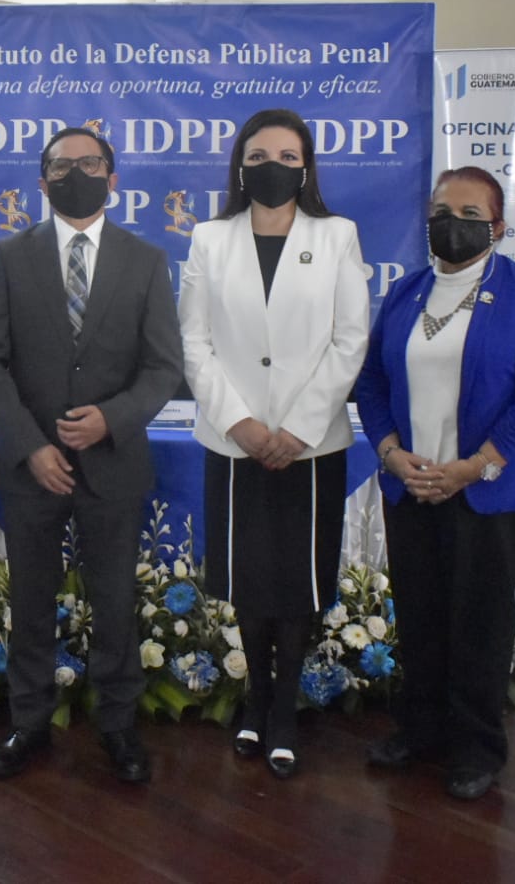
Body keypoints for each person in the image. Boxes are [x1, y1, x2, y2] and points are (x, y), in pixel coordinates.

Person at [0, 125, 184, 784]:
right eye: (62, 167)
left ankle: (117, 724)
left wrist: (110, 419)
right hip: (32, 467)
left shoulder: (145, 260)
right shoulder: (9, 256)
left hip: (113, 463)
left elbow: (163, 367)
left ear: (112, 179)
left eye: (90, 164)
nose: (76, 175)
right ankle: (28, 720)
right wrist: (31, 446)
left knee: (115, 603)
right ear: (42, 182)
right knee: (31, 602)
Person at [354, 165, 515, 800]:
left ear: (498, 228)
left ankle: (477, 747)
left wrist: (475, 466)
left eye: (472, 215)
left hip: (486, 491)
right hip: (412, 487)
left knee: (482, 622)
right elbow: (372, 384)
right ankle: (419, 729)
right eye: (443, 213)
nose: (455, 225)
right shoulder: (406, 292)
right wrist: (391, 454)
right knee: (420, 614)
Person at [178, 109, 370, 778]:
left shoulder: (337, 235)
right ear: (239, 165)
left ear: (306, 166)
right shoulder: (209, 238)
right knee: (248, 583)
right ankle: (254, 702)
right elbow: (195, 343)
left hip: (309, 447)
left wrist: (296, 429)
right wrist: (241, 424)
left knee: (297, 583)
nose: (273, 166)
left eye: (288, 156)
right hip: (234, 444)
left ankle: (285, 709)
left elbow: (350, 340)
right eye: (259, 155)